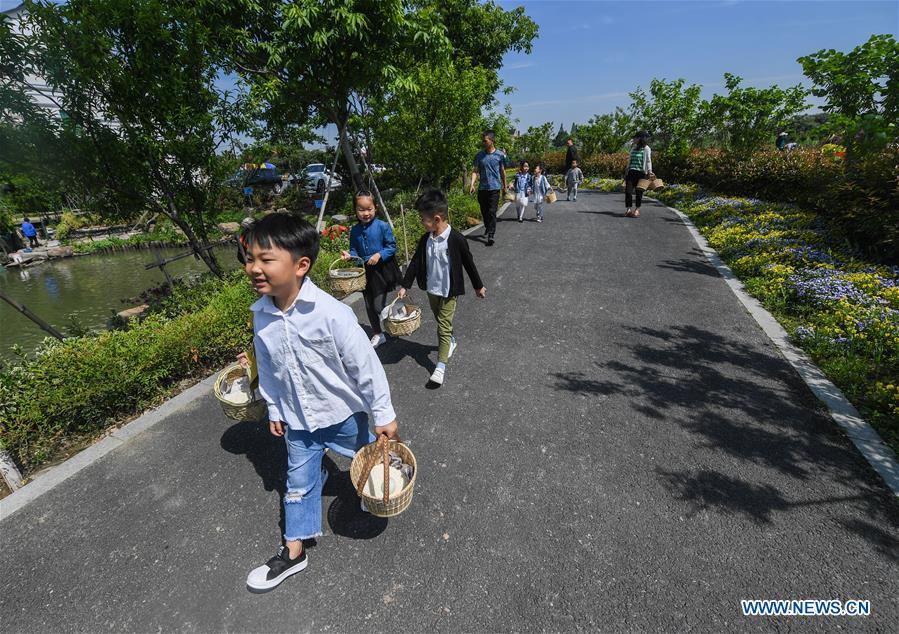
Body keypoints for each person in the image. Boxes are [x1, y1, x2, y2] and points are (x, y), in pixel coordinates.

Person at [241, 213, 400, 592]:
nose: (254, 268)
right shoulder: (261, 317)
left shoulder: (332, 314)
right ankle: (294, 551)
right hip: (298, 421)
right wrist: (275, 409)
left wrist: (383, 413)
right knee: (297, 481)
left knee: (370, 459)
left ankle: (369, 492)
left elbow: (366, 365)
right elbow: (269, 367)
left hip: (343, 414)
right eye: (250, 259)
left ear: (301, 266)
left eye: (266, 260)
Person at [398, 189, 486, 387]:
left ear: (437, 219)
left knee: (443, 327)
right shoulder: (425, 239)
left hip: (448, 292)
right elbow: (414, 263)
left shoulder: (456, 239)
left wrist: (478, 286)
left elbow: (469, 264)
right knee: (440, 320)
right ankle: (450, 341)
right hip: (432, 290)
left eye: (423, 219)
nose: (421, 222)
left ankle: (440, 366)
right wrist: (405, 285)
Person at [341, 190, 402, 348]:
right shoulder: (354, 230)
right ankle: (377, 333)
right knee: (368, 304)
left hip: (382, 269)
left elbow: (391, 247)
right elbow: (354, 250)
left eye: (369, 209)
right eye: (361, 209)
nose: (366, 213)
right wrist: (350, 256)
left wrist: (379, 254)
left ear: (376, 208)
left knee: (377, 305)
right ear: (355, 210)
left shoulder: (382, 226)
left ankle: (396, 316)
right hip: (365, 272)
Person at [470, 130, 507, 247]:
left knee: (492, 211)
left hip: (495, 188)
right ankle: (487, 226)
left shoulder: (500, 155)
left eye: (485, 141)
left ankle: (491, 234)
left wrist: (504, 186)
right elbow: (475, 171)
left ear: (492, 141)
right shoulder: (479, 155)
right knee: (484, 212)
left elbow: (502, 171)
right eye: (483, 141)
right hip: (482, 189)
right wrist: (472, 184)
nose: (483, 143)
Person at [624, 132, 653, 218]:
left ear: (640, 138)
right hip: (631, 172)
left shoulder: (646, 148)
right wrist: (626, 169)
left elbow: (648, 160)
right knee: (628, 191)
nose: (633, 139)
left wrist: (650, 171)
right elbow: (630, 160)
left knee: (639, 192)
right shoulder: (633, 148)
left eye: (635, 138)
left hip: (641, 173)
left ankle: (637, 209)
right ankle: (628, 210)